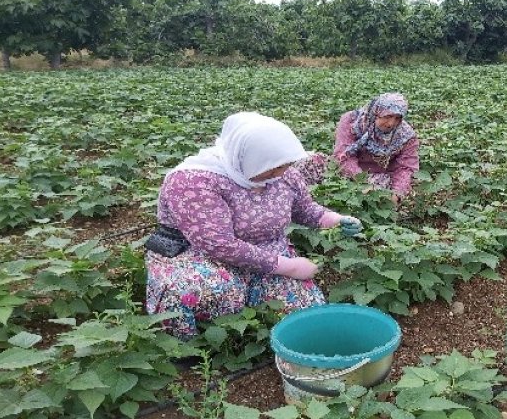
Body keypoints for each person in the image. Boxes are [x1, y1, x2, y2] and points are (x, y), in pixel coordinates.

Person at [144, 112, 363, 339]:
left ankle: (266, 334)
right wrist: (289, 266)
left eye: (284, 166)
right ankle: (188, 347)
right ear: (248, 156)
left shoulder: (284, 174)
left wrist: (334, 220)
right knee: (210, 292)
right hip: (197, 255)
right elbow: (219, 244)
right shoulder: (194, 181)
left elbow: (305, 209)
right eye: (272, 167)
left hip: (268, 250)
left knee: (306, 310)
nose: (279, 173)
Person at [333, 93, 420, 204]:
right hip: (347, 171)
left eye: (398, 118)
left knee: (379, 196)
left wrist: (396, 194)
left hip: (380, 177)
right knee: (314, 163)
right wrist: (363, 182)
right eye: (387, 116)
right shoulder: (352, 121)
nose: (391, 123)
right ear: (376, 112)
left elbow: (405, 168)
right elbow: (343, 155)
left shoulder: (406, 136)